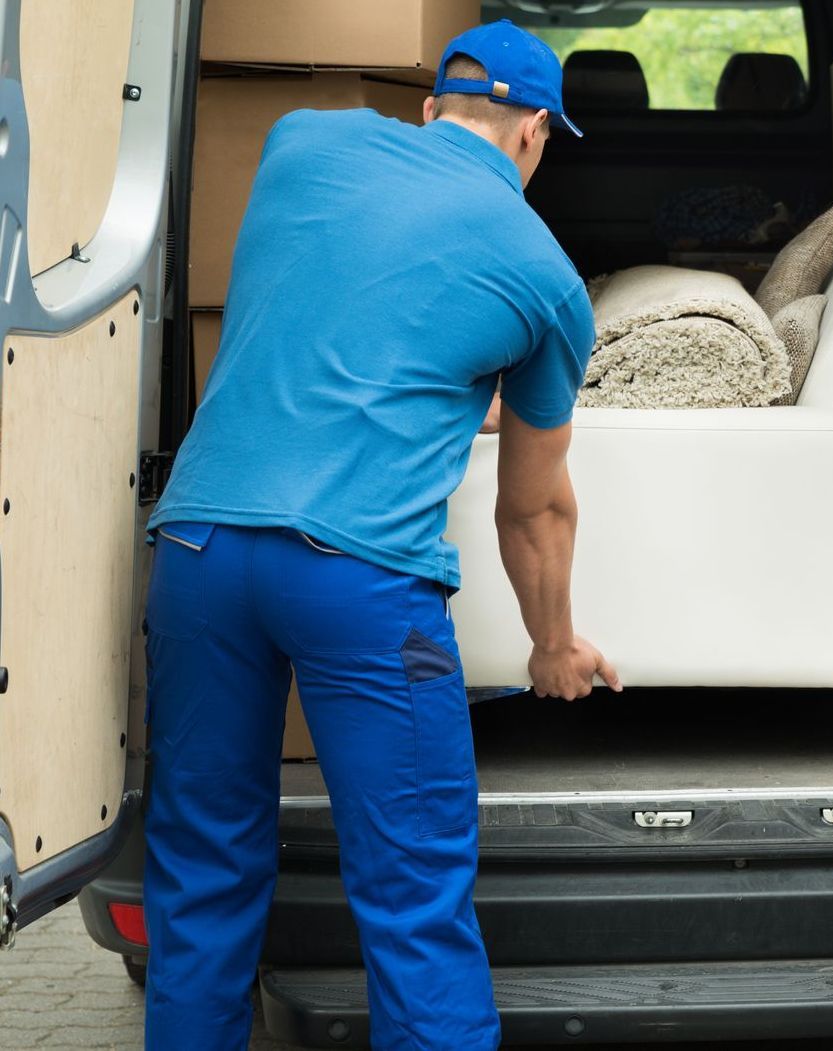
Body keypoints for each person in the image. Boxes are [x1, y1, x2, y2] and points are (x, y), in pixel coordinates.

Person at [141, 21, 618, 1050]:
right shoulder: (545, 278)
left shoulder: (302, 141)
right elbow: (532, 505)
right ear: (537, 134)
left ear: (429, 108)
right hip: (356, 580)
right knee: (410, 897)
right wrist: (553, 644)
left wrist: (440, 387)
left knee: (199, 875)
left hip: (199, 549)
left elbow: (362, 304)